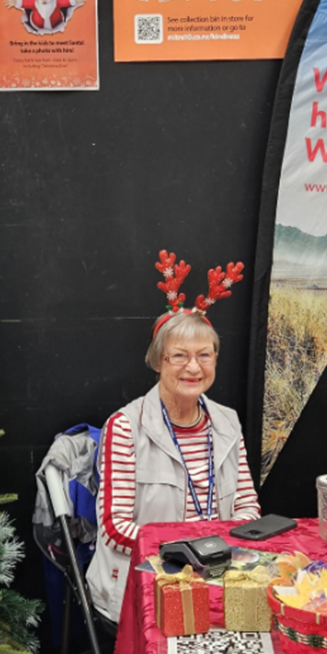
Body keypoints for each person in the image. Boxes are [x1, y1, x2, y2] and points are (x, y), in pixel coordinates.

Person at [86, 254, 260, 621]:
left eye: (204, 355)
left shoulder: (228, 422)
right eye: (179, 356)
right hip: (147, 578)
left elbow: (247, 506)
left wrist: (219, 552)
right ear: (158, 361)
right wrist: (185, 553)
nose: (193, 367)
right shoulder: (125, 426)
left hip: (219, 572)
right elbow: (115, 528)